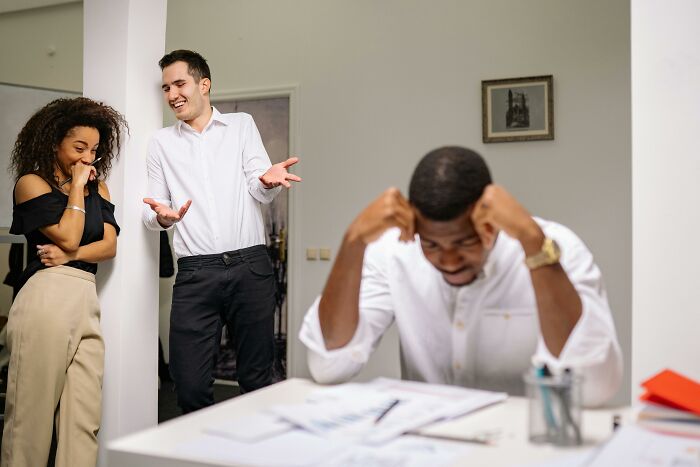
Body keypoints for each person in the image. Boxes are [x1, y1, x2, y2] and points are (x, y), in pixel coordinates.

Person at [299, 146, 622, 407]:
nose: (450, 261)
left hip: (527, 447)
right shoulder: (393, 252)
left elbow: (593, 387)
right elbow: (329, 366)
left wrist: (531, 239)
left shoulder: (554, 247)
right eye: (432, 244)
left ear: (490, 220)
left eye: (465, 242)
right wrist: (353, 241)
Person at [143, 50, 301, 413]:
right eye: (166, 88)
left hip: (251, 267)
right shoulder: (161, 143)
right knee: (189, 383)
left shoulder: (242, 126)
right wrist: (163, 217)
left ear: (204, 84)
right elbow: (151, 209)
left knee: (258, 381)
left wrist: (268, 180)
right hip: (197, 273)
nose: (172, 94)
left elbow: (258, 186)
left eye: (179, 84)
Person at [1, 97, 126, 466]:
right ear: (54, 143)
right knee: (30, 420)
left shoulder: (98, 189)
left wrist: (71, 255)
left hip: (85, 298)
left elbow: (109, 245)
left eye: (94, 150)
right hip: (44, 296)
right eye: (79, 148)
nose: (88, 158)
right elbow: (70, 235)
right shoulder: (31, 184)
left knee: (83, 421)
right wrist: (74, 189)